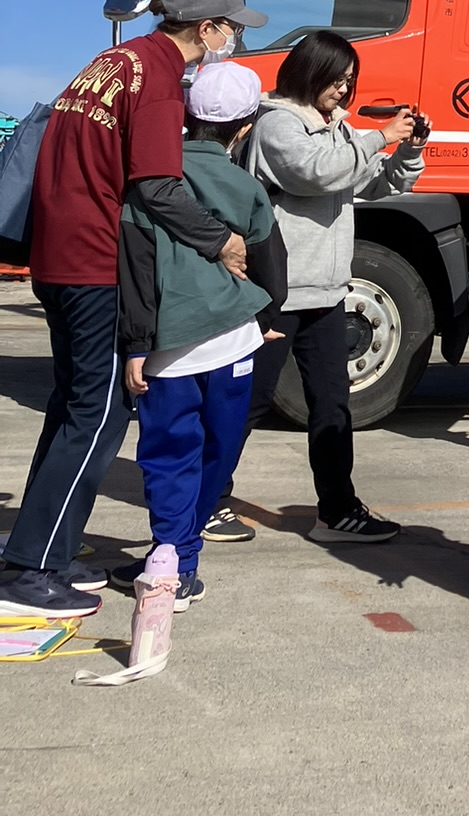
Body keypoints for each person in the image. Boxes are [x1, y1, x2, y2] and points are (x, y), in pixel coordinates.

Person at [0, 0, 266, 621]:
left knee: (73, 410)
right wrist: (221, 242)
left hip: (58, 257)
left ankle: (49, 551)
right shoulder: (154, 81)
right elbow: (157, 187)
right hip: (93, 264)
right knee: (99, 417)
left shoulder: (112, 63)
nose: (231, 38)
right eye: (230, 27)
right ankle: (29, 568)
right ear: (204, 28)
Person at [226, 29, 428, 543]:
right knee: (249, 399)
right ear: (308, 72)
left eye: (349, 82)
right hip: (280, 290)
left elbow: (372, 183)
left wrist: (408, 151)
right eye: (336, 80)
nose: (343, 91)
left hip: (328, 290)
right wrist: (380, 137)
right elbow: (315, 174)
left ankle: (337, 510)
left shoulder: (335, 129)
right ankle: (206, 499)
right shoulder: (277, 125)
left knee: (332, 404)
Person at [111, 63, 288, 608]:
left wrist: (136, 345)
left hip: (169, 346)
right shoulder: (247, 186)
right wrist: (265, 316)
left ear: (186, 117)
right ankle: (184, 560)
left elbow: (135, 268)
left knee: (168, 454)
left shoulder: (150, 180)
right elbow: (272, 262)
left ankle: (171, 557)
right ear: (244, 128)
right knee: (219, 448)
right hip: (235, 340)